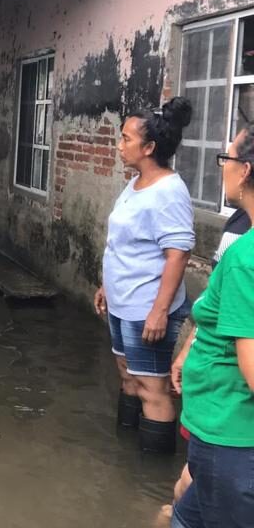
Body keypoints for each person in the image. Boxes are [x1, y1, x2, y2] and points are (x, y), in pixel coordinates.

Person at [93, 97, 194, 453]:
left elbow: (178, 254)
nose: (119, 146)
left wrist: (159, 311)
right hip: (123, 303)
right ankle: (126, 459)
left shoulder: (168, 191)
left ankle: (149, 479)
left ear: (149, 147)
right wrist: (107, 285)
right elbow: (123, 242)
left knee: (154, 388)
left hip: (146, 308)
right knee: (128, 378)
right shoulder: (137, 182)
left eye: (126, 139)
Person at [171, 128, 254, 528]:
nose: (222, 169)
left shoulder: (245, 257)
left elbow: (251, 364)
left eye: (226, 160)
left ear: (245, 171)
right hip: (219, 427)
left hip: (232, 433)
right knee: (184, 515)